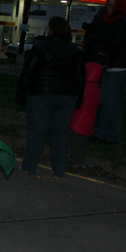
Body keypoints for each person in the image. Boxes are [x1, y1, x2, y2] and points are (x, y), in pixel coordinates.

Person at [16, 16, 85, 177]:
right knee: (60, 133)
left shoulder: (41, 47)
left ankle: (29, 166)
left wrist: (21, 92)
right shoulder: (77, 51)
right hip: (67, 95)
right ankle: (60, 168)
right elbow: (80, 76)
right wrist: (79, 97)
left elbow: (28, 71)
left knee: (36, 131)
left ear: (51, 30)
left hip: (42, 92)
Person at [86, 0, 126, 144]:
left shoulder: (121, 22)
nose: (108, 7)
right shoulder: (111, 20)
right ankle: (104, 133)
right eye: (108, 4)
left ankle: (110, 135)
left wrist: (98, 35)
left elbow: (115, 41)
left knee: (111, 103)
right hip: (109, 65)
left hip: (117, 66)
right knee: (105, 101)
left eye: (112, 5)